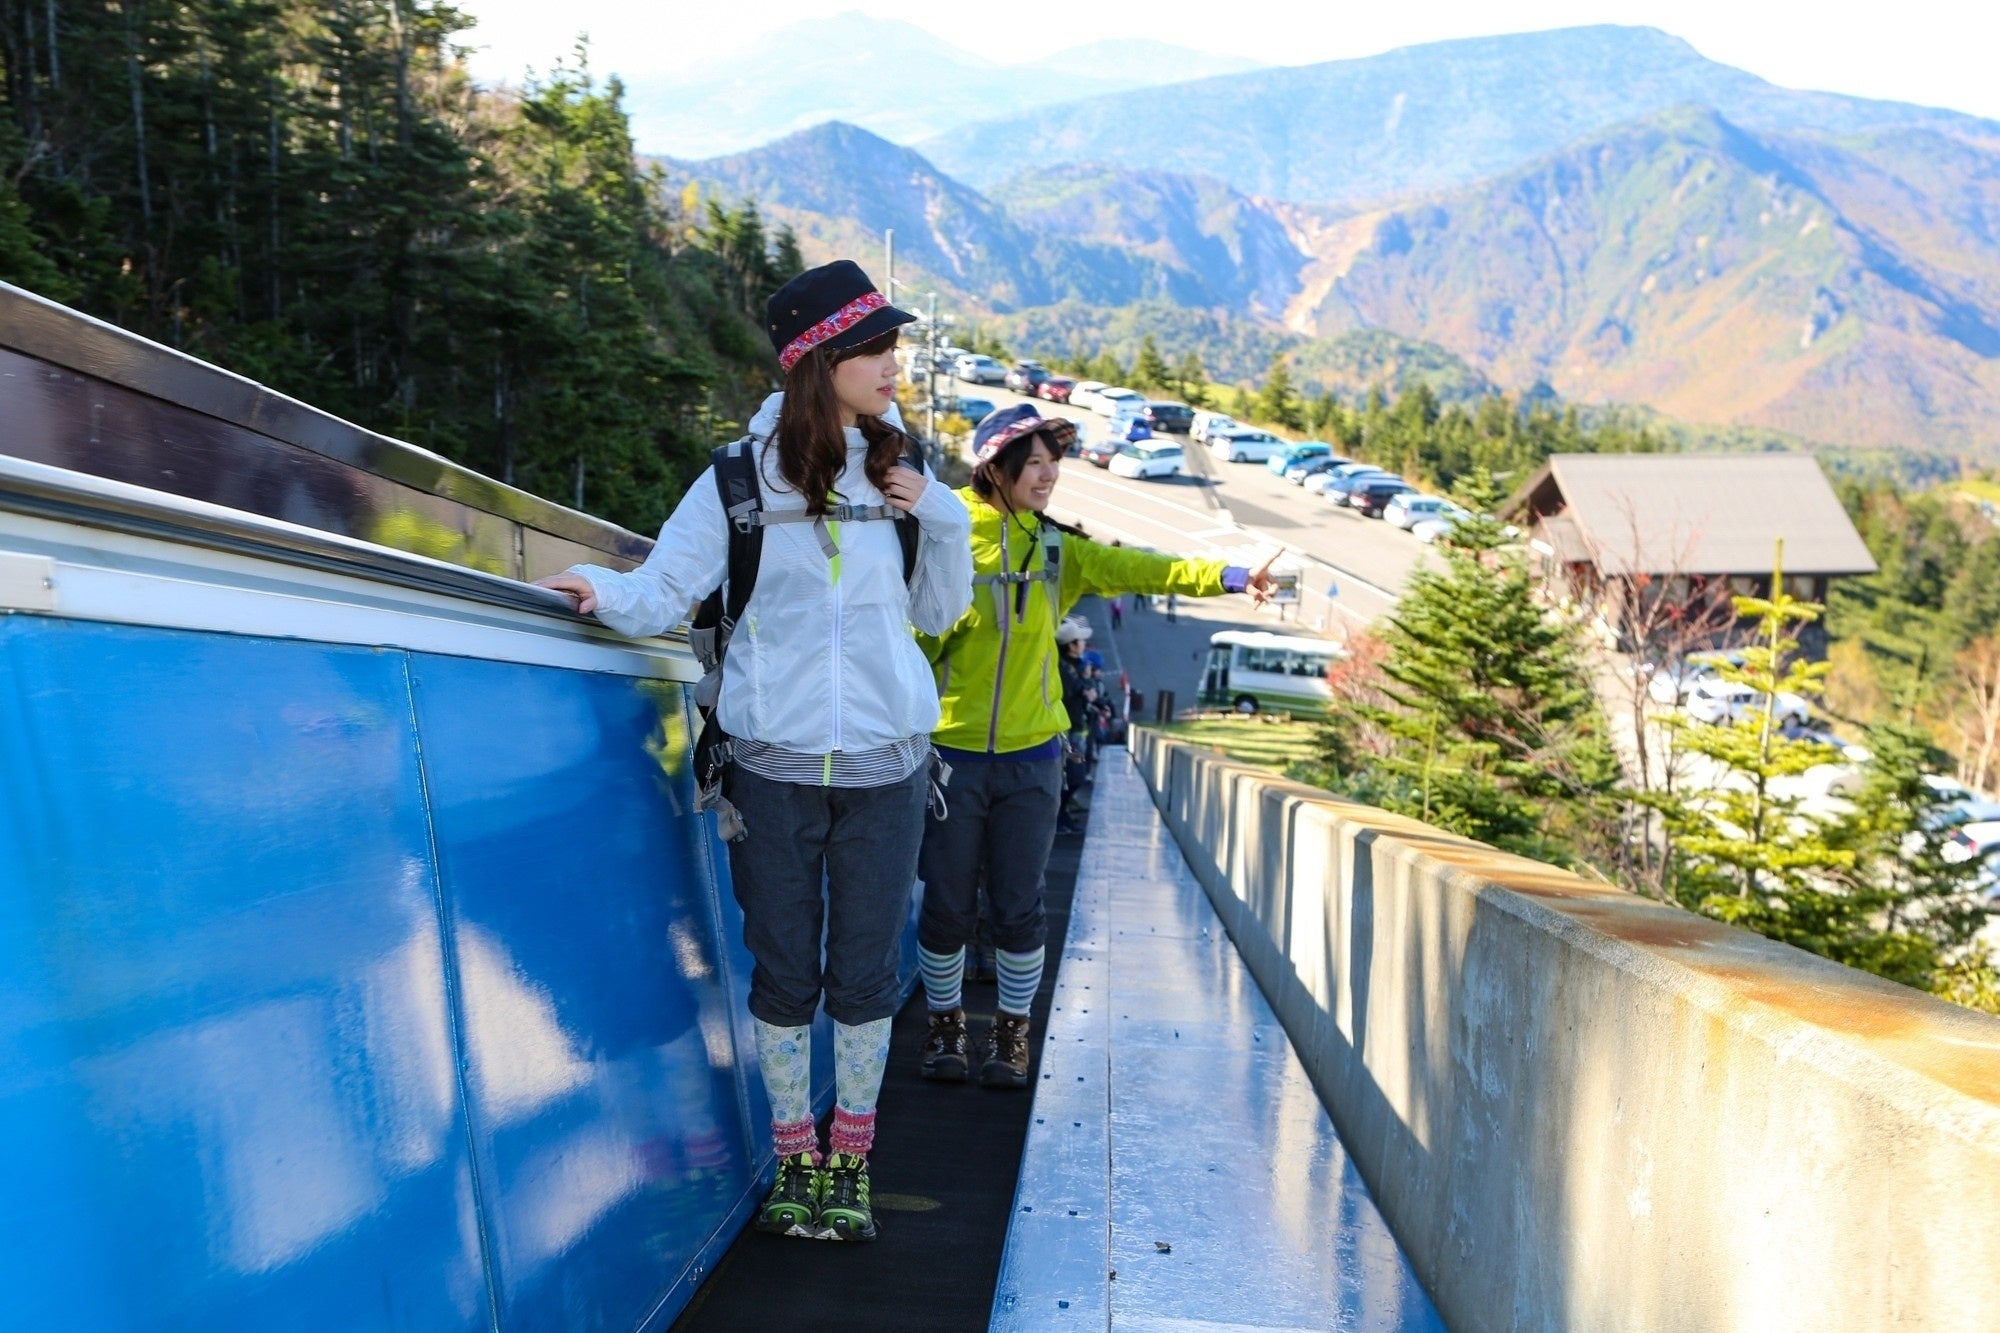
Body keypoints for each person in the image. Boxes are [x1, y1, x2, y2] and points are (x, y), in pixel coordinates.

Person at [535, 260, 972, 1243]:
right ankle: (793, 1160)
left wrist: (939, 518)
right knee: (782, 976)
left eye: (892, 347)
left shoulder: (905, 474)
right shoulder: (735, 479)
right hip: (766, 774)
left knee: (862, 978)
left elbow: (938, 614)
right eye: (875, 349)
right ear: (821, 362)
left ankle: (848, 1163)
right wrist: (596, 595)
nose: (893, 366)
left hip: (889, 769)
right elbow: (665, 586)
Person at [912, 404, 1279, 1088]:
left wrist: (1231, 576)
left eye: (1055, 462)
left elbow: (1141, 569)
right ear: (996, 465)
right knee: (947, 903)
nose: (1050, 475)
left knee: (1020, 903)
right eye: (1037, 462)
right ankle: (945, 1027)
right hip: (948, 756)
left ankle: (1012, 1037)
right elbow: (905, 639)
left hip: (1034, 758)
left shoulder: (1055, 549)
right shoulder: (946, 536)